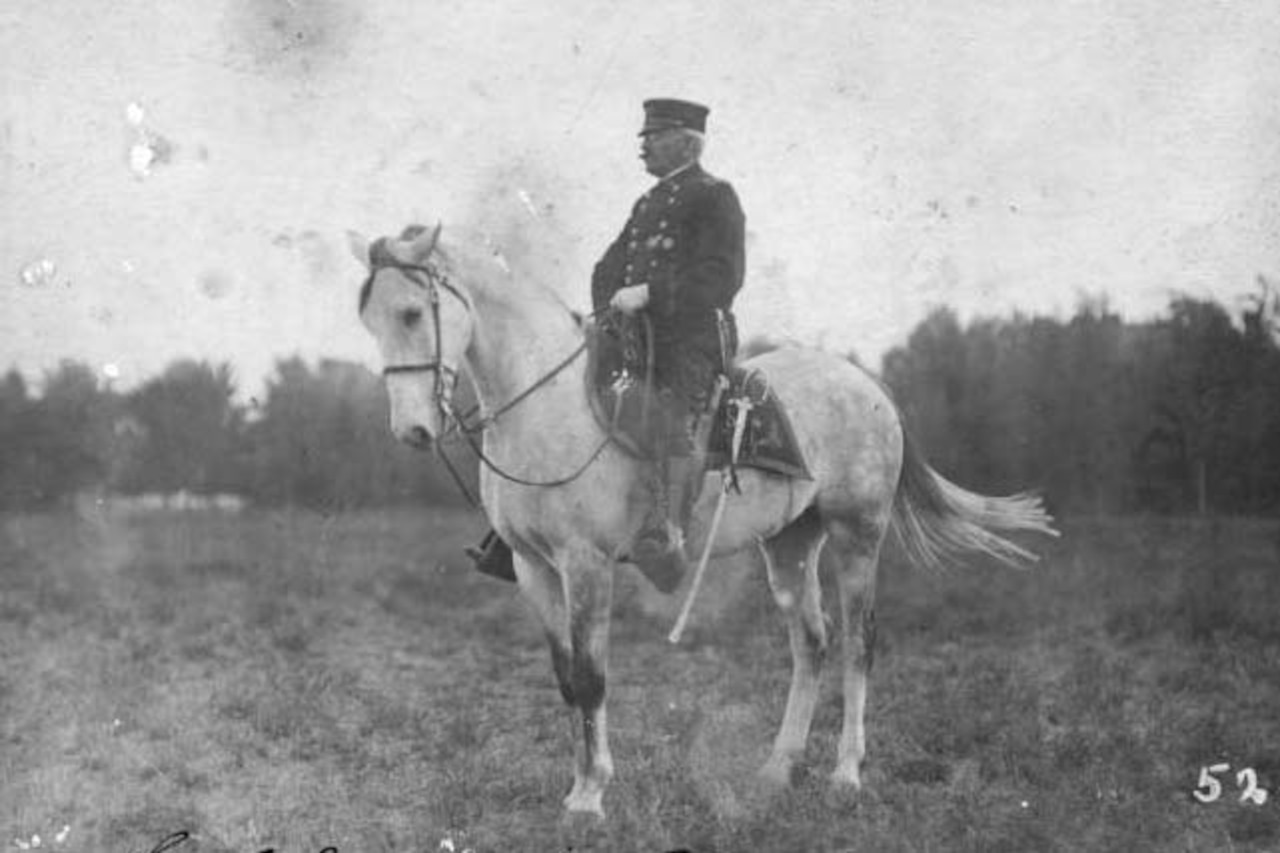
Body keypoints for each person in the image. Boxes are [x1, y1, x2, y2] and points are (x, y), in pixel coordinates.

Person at [591, 98, 746, 591]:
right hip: (635, 335)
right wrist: (607, 313)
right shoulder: (647, 202)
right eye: (643, 136)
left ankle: (668, 531)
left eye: (652, 136)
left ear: (685, 140)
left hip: (691, 338)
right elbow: (606, 268)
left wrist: (651, 295)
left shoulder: (715, 196)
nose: (642, 145)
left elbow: (722, 277)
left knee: (672, 413)